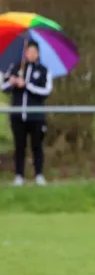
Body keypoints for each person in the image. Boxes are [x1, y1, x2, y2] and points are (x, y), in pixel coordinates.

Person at [1, 40, 52, 186]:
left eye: (34, 52)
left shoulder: (43, 71)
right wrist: (12, 82)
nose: (31, 54)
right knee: (19, 146)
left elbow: (46, 91)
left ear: (38, 54)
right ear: (25, 52)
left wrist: (27, 85)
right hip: (18, 116)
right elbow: (3, 87)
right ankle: (19, 176)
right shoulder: (16, 67)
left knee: (37, 146)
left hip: (35, 116)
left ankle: (39, 175)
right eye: (29, 51)